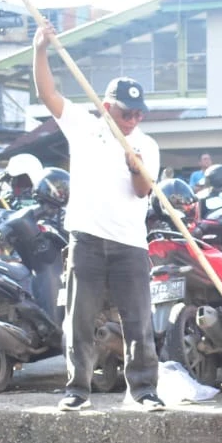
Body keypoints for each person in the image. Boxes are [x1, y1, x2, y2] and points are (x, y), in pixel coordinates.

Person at [32, 23, 163, 412]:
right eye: (127, 112)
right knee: (79, 320)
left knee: (138, 322)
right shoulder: (84, 127)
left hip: (130, 244)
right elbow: (48, 94)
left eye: (139, 113)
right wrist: (40, 49)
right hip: (86, 239)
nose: (133, 119)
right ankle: (77, 389)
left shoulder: (146, 144)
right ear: (107, 107)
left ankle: (144, 391)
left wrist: (136, 166)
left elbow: (143, 191)